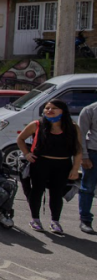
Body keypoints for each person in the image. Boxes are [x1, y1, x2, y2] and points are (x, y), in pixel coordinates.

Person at [17, 100, 83, 234]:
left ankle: (55, 222)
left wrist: (75, 168)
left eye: (54, 108)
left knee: (57, 194)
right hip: (40, 163)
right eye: (47, 108)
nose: (49, 110)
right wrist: (27, 154)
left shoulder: (72, 127)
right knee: (37, 191)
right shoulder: (36, 125)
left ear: (63, 111)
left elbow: (78, 149)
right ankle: (35, 219)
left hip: (63, 165)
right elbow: (20, 139)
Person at [76, 99, 97, 234]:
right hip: (93, 153)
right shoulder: (90, 110)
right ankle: (85, 220)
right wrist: (84, 156)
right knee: (88, 187)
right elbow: (81, 135)